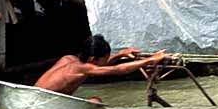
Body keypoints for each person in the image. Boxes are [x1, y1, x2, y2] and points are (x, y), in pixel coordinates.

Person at [34, 34, 166, 102]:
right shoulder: (83, 69)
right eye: (104, 58)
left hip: (33, 96)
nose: (106, 61)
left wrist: (119, 55)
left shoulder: (68, 59)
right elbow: (117, 70)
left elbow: (99, 66)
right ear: (92, 59)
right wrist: (150, 60)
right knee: (96, 102)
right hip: (41, 103)